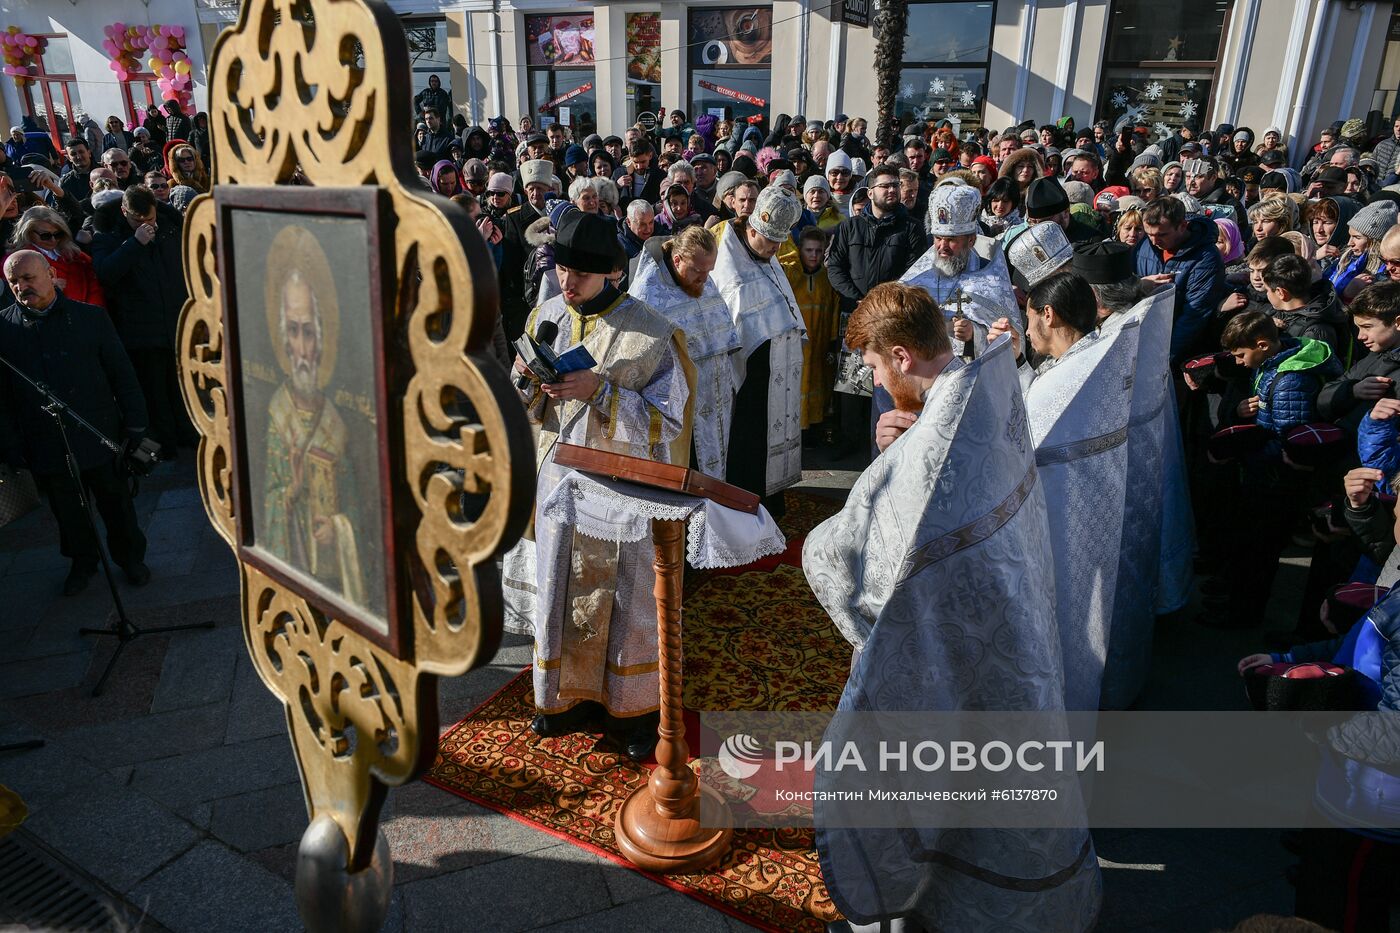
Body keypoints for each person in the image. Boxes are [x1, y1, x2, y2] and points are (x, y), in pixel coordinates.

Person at [801, 282, 1102, 932]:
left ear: (903, 355)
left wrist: (886, 466)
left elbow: (855, 567)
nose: (878, 381)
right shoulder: (984, 388)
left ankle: (902, 914)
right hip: (1011, 635)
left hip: (951, 652)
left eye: (877, 368)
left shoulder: (922, 455)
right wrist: (900, 448)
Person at [501, 209, 693, 762]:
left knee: (628, 606)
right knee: (561, 593)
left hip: (620, 493)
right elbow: (523, 406)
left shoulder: (654, 334)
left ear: (612, 272)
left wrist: (599, 393)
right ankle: (564, 700)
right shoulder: (548, 315)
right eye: (562, 269)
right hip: (560, 484)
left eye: (580, 273)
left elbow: (671, 422)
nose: (567, 282)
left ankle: (633, 712)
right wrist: (526, 383)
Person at [996, 271, 1139, 709]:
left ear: (1048, 314)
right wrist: (1020, 364)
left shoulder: (1064, 383)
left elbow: (1014, 443)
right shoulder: (1093, 357)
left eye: (1028, 317)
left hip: (1057, 534)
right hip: (1090, 525)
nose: (1027, 327)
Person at [0, 250, 149, 596]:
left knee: (116, 504)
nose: (22, 287)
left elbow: (121, 374)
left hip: (98, 432)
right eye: (14, 282)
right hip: (45, 441)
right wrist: (11, 444)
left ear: (50, 274)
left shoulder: (90, 318)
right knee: (68, 512)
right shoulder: (4, 328)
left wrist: (136, 426)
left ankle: (130, 559)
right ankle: (83, 562)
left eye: (29, 278)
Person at [1200, 312, 1341, 628]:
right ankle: (1235, 601)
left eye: (1241, 355)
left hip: (1273, 481)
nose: (1238, 362)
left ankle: (1242, 615)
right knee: (1249, 548)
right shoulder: (1273, 365)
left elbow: (1290, 441)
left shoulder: (1292, 381)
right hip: (1263, 474)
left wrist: (1245, 448)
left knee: (1258, 555)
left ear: (1262, 345)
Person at [261, 264, 371, 607]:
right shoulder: (277, 415)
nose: (301, 347)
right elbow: (268, 500)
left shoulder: (341, 420)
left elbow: (361, 501)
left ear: (322, 337)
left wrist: (337, 530)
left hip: (341, 581)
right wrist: (292, 492)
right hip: (299, 579)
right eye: (292, 331)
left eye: (308, 332)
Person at [710, 185, 806, 517]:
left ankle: (771, 495)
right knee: (750, 437)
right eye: (771, 242)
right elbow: (736, 322)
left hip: (778, 366)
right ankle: (745, 501)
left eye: (780, 242)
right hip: (750, 372)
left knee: (773, 433)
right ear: (751, 230)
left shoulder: (767, 256)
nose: (776, 249)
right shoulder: (730, 268)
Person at [629, 224, 739, 478]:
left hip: (714, 393)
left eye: (709, 272)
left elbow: (723, 333)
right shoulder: (648, 291)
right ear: (677, 260)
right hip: (678, 398)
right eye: (698, 272)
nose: (704, 280)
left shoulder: (701, 277)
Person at [90, 185, 191, 457]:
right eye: (138, 220)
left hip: (178, 321)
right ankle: (166, 444)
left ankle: (189, 435)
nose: (147, 224)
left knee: (182, 386)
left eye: (150, 219)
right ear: (125, 212)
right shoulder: (108, 235)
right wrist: (135, 243)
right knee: (155, 391)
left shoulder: (171, 225)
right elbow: (105, 273)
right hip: (142, 330)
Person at [1134, 195, 1229, 363]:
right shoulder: (1146, 244)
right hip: (1143, 340)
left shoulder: (1206, 259)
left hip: (1177, 352)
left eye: (1162, 234)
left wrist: (1161, 358)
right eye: (1149, 234)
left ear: (1182, 226)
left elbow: (1194, 316)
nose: (1154, 241)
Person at [781, 225, 841, 443]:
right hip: (794, 346)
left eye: (818, 251)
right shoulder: (790, 274)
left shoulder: (827, 279)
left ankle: (813, 433)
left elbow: (834, 310)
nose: (813, 255)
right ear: (800, 250)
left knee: (817, 388)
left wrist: (832, 343)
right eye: (808, 250)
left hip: (819, 345)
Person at [1319, 280, 1400, 434]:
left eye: (1367, 327)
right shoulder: (1374, 356)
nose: (1360, 336)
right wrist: (1352, 391)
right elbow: (1324, 397)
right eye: (1358, 328)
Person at [499, 158, 555, 339]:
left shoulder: (557, 213)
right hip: (525, 295)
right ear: (525, 191)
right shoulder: (515, 218)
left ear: (549, 190)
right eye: (531, 189)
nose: (535, 193)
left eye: (540, 188)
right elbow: (511, 262)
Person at [6, 206, 104, 307]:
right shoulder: (16, 262)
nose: (53, 240)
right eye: (45, 236)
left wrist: (94, 313)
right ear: (28, 233)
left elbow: (95, 286)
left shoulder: (76, 255)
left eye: (58, 234)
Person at [1262, 252, 1350, 361]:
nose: (1267, 295)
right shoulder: (1277, 312)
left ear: (1280, 293)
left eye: (1268, 290)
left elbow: (1303, 370)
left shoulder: (1316, 332)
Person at [59, 137, 94, 204]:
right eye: (73, 154)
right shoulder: (65, 182)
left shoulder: (104, 172)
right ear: (69, 158)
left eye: (81, 152)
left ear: (89, 153)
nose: (78, 156)